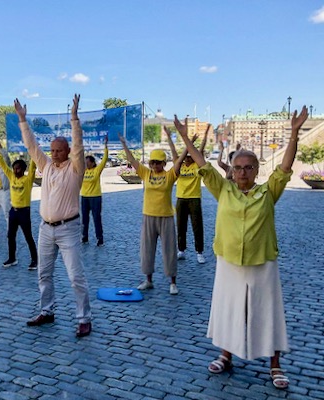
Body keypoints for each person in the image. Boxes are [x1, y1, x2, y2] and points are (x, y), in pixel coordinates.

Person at [174, 107, 309, 390]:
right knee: (228, 309)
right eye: (237, 167)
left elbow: (285, 167)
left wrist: (294, 133)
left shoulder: (268, 192)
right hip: (229, 261)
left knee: (268, 311)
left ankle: (275, 364)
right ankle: (225, 355)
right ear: (231, 170)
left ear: (257, 170)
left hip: (262, 261)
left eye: (249, 167)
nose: (243, 172)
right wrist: (186, 140)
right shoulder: (223, 190)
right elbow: (203, 164)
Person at [15, 94, 92, 338]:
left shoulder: (76, 168)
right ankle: (46, 311)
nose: (56, 153)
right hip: (45, 229)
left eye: (60, 150)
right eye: (54, 150)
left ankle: (83, 318)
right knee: (43, 273)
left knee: (75, 276)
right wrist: (22, 120)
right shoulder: (46, 165)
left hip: (68, 228)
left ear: (68, 151)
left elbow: (79, 145)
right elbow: (31, 147)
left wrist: (74, 118)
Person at [119, 133, 186, 295]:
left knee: (169, 250)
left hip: (166, 217)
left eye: (158, 162)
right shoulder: (146, 173)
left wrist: (186, 147)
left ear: (164, 163)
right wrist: (124, 144)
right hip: (148, 216)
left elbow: (179, 163)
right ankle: (148, 280)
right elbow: (133, 161)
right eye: (153, 162)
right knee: (147, 249)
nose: (155, 165)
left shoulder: (169, 175)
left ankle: (172, 282)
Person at [165, 124, 209, 264]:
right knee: (181, 225)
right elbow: (173, 151)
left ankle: (199, 252)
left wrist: (205, 134)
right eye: (187, 157)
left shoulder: (197, 165)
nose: (188, 158)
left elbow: (200, 150)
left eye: (190, 156)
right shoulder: (180, 165)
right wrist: (168, 135)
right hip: (181, 198)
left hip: (194, 198)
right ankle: (181, 250)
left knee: (197, 226)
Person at [0, 140, 38, 270]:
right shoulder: (11, 176)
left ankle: (35, 260)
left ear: (23, 169)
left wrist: (33, 151)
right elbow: (3, 165)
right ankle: (12, 258)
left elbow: (33, 167)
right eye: (15, 168)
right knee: (11, 236)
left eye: (18, 168)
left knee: (28, 236)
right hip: (13, 211)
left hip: (24, 212)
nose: (16, 170)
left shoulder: (28, 180)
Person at [81, 137, 108, 246]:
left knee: (96, 218)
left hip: (95, 197)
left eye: (88, 162)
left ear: (92, 163)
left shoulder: (97, 170)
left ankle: (99, 237)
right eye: (85, 162)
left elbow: (105, 159)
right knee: (84, 219)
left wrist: (106, 146)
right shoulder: (83, 171)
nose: (86, 164)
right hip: (84, 197)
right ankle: (84, 236)